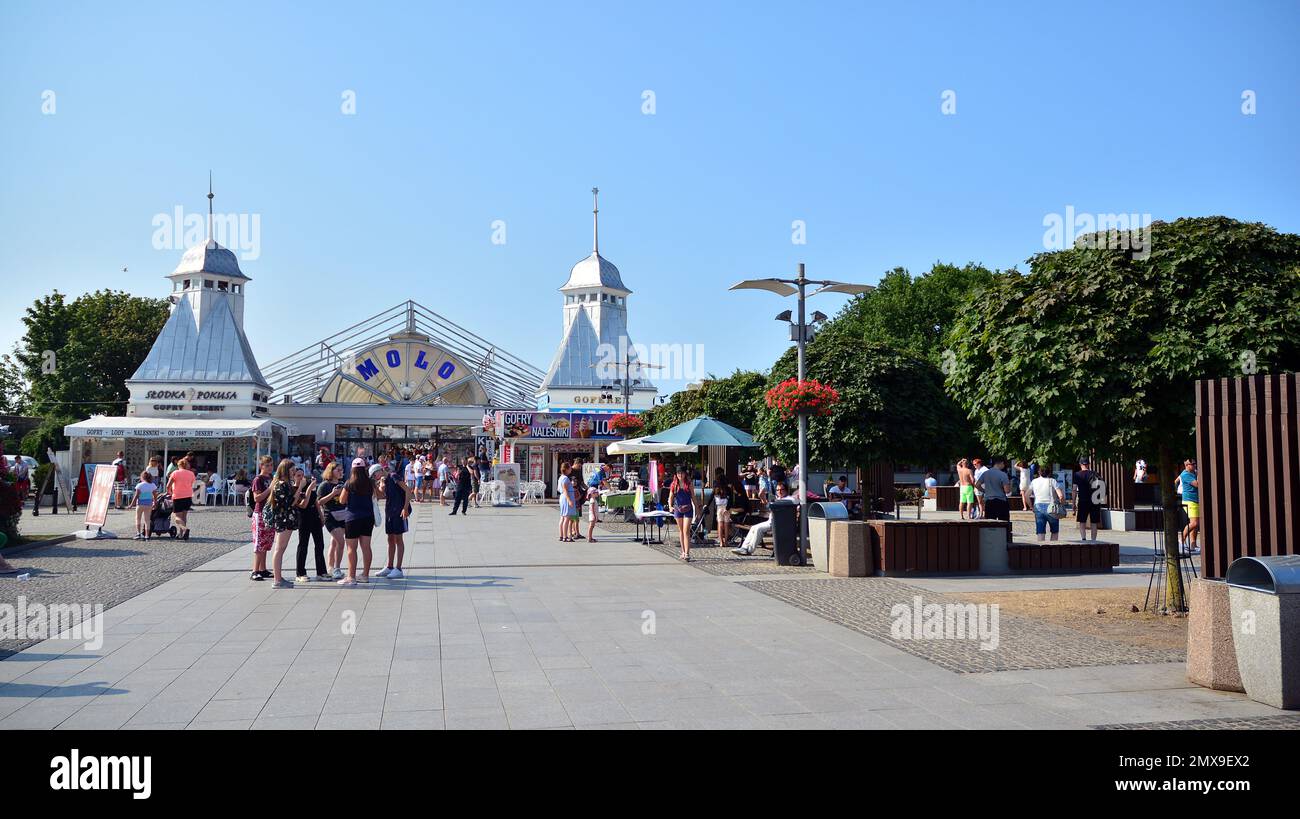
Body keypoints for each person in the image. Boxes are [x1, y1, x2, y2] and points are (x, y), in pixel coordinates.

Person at [337, 464, 376, 587]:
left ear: (352, 469)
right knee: (366, 547)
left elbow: (342, 500)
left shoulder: (349, 483)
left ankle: (351, 577)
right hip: (368, 517)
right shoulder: (370, 482)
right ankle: (365, 575)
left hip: (352, 518)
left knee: (351, 548)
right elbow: (378, 495)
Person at [264, 459, 299, 589]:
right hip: (283, 520)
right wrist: (300, 487)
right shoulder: (282, 484)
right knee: (279, 549)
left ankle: (278, 577)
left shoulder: (281, 483)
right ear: (285, 470)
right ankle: (277, 579)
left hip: (285, 519)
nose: (294, 472)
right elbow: (290, 502)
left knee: (281, 549)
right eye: (292, 470)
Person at [734, 481, 795, 555]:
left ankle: (749, 550)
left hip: (779, 523)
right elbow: (769, 507)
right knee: (754, 527)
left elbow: (792, 505)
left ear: (786, 490)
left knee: (759, 529)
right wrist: (762, 498)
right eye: (778, 490)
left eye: (782, 490)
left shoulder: (789, 499)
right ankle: (744, 547)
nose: (779, 492)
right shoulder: (777, 499)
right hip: (771, 521)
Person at [293, 467, 329, 583]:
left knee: (320, 544)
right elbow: (303, 504)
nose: (301, 478)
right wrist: (308, 489)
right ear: (293, 477)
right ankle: (300, 572)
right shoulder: (294, 489)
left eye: (302, 475)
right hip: (303, 518)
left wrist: (322, 516)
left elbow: (315, 502)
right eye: (298, 475)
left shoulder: (308, 485)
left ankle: (321, 571)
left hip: (315, 517)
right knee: (303, 545)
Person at [377, 460, 411, 579]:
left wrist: (405, 508)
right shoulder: (384, 481)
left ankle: (398, 568)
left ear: (381, 470)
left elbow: (407, 490)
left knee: (398, 539)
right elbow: (382, 496)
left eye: (375, 474)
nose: (375, 477)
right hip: (390, 512)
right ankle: (389, 566)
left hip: (399, 512)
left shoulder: (393, 476)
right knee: (390, 539)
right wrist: (381, 487)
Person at [317, 461, 347, 580]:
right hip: (330, 516)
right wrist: (333, 493)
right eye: (338, 470)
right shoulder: (325, 485)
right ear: (331, 471)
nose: (340, 472)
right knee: (341, 542)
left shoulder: (342, 483)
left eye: (341, 470)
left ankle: (330, 567)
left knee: (334, 542)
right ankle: (337, 568)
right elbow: (319, 502)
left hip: (343, 515)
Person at [249, 456, 274, 581]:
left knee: (266, 543)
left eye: (271, 465)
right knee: (259, 543)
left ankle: (263, 569)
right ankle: (255, 570)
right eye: (267, 465)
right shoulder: (258, 479)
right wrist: (270, 489)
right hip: (260, 513)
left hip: (269, 513)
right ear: (261, 466)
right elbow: (257, 498)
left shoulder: (271, 478)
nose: (270, 467)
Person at [1027, 463, 1065, 543]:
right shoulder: (1053, 481)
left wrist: (1031, 506)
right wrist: (1061, 504)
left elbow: (1027, 496)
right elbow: (1060, 496)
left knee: (1040, 532)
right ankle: (1053, 550)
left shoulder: (1034, 481)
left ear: (1039, 472)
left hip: (1038, 507)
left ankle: (1041, 550)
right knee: (1054, 531)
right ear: (1049, 472)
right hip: (1052, 508)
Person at [1072, 457, 1103, 542]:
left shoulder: (1077, 475)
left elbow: (1074, 489)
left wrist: (1073, 503)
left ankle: (1083, 539)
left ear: (1080, 464)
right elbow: (1101, 486)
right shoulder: (1095, 473)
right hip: (1094, 500)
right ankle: (1093, 540)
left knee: (1082, 521)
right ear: (1088, 464)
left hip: (1083, 500)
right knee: (1094, 522)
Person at [668, 465, 695, 561]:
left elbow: (693, 497)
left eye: (682, 473)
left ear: (685, 474)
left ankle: (687, 553)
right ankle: (683, 551)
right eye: (679, 473)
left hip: (688, 508)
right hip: (678, 509)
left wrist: (698, 509)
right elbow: (670, 497)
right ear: (676, 474)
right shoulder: (674, 484)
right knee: (681, 531)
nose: (680, 475)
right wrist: (670, 506)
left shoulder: (689, 484)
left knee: (686, 530)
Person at [166, 456, 196, 540]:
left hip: (178, 496)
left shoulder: (175, 473)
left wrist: (169, 492)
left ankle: (184, 529)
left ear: (179, 465)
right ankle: (181, 534)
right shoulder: (191, 473)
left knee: (177, 518)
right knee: (184, 516)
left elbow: (168, 485)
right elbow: (192, 484)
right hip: (188, 496)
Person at [976, 458, 1012, 522]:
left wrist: (984, 490)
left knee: (990, 524)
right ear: (1001, 463)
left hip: (989, 501)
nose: (1004, 466)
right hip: (1001, 501)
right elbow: (1007, 491)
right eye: (1004, 464)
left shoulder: (986, 473)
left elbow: (977, 485)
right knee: (1004, 524)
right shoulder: (1003, 474)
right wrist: (1010, 485)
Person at [1179, 458, 1200, 556]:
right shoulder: (1185, 474)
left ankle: (1193, 545)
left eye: (1195, 463)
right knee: (1194, 523)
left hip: (1195, 500)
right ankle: (1181, 540)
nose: (1195, 465)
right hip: (1190, 500)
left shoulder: (1193, 473)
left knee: (1195, 525)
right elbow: (1197, 484)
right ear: (1187, 465)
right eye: (1193, 464)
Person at [129, 469, 157, 539]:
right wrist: (155, 503)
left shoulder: (139, 485)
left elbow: (136, 495)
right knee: (147, 520)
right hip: (149, 504)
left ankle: (138, 534)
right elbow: (155, 495)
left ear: (142, 477)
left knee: (138, 518)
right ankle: (147, 536)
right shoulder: (153, 485)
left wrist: (132, 504)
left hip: (140, 504)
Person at [584, 462, 608, 542]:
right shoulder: (601, 471)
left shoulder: (599, 468)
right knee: (591, 525)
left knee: (592, 525)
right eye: (608, 469)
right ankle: (589, 537)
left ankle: (590, 537)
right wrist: (610, 488)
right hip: (593, 486)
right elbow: (604, 481)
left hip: (592, 485)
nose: (608, 471)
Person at [557, 461, 578, 542]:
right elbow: (565, 490)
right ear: (566, 469)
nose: (571, 469)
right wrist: (569, 500)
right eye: (569, 467)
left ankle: (561, 535)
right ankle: (565, 536)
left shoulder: (561, 477)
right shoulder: (565, 478)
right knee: (566, 518)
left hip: (563, 497)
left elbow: (560, 489)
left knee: (562, 517)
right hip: (566, 498)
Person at [713, 472, 734, 547]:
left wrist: (706, 505)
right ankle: (726, 541)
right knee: (726, 525)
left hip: (719, 507)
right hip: (726, 508)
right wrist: (727, 508)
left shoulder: (716, 489)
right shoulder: (728, 489)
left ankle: (721, 541)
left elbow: (711, 499)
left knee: (720, 524)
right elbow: (731, 500)